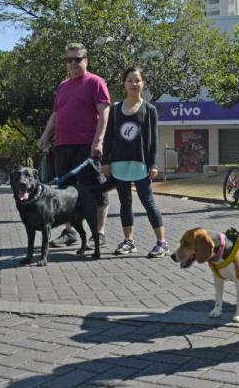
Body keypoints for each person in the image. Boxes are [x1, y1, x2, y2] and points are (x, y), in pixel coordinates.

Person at [40, 43, 111, 249]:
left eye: (77, 59)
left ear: (86, 60)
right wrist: (45, 135)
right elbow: (55, 115)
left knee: (95, 191)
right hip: (63, 146)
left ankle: (99, 233)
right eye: (69, 60)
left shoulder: (96, 82)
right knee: (66, 194)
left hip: (86, 147)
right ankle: (70, 231)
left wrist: (98, 141)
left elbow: (104, 113)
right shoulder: (62, 86)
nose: (73, 63)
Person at [101, 68, 169, 258]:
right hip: (119, 164)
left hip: (141, 164)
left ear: (143, 83)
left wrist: (153, 164)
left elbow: (154, 139)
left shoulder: (149, 109)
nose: (134, 84)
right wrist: (106, 161)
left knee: (148, 202)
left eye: (137, 80)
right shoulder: (115, 109)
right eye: (130, 80)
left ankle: (162, 243)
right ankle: (129, 241)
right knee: (125, 202)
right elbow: (108, 138)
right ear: (124, 84)